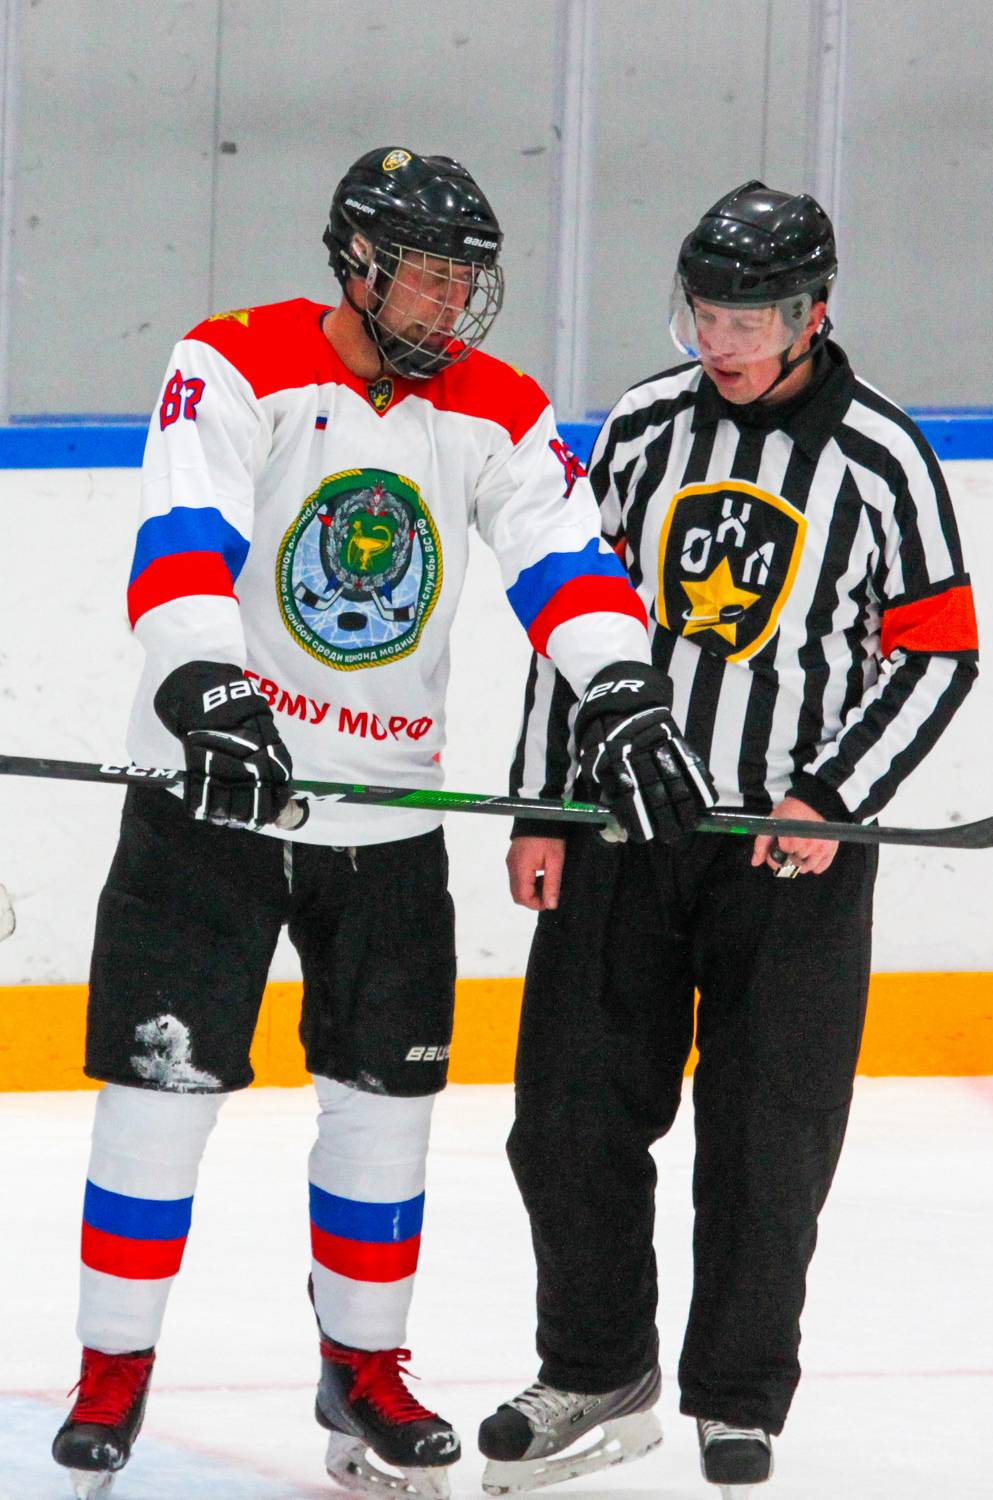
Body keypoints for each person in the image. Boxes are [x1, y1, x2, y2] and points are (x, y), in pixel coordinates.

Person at [50, 146, 712, 1500]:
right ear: (357, 264)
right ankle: (111, 1369)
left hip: (386, 816)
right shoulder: (234, 360)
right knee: (158, 1101)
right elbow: (183, 536)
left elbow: (564, 560)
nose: (454, 302)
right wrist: (209, 690)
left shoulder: (497, 406)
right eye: (429, 275)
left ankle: (365, 1366)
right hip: (213, 802)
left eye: (468, 280)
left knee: (386, 1110)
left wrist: (623, 693)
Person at [479, 181, 979, 1495]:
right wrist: (544, 802)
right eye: (704, 312)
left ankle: (738, 1395)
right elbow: (574, 620)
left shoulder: (884, 456)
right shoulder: (645, 425)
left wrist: (831, 795)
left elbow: (938, 653)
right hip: (624, 832)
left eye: (747, 318)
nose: (720, 340)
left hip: (790, 856)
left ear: (814, 313)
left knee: (768, 1140)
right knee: (567, 1118)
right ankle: (596, 1368)